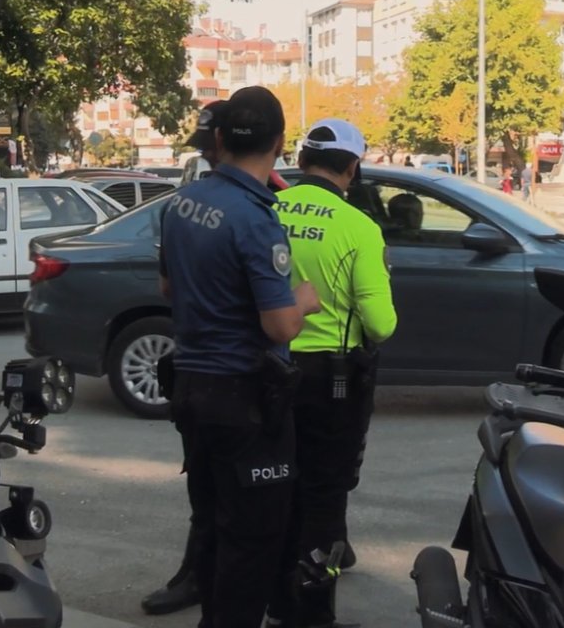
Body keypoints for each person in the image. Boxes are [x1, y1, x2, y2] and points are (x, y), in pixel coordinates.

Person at [158, 85, 320, 628]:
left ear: (220, 138)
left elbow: (167, 288)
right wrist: (303, 300)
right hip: (245, 398)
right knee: (253, 539)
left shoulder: (181, 203)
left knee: (211, 521)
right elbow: (278, 323)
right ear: (279, 144)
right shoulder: (254, 218)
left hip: (192, 387)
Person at [266, 119, 397, 628]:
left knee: (279, 487)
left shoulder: (268, 212)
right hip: (332, 380)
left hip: (267, 368)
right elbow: (382, 326)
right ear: (352, 167)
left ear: (300, 163)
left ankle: (276, 603)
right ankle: (311, 613)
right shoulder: (357, 227)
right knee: (324, 494)